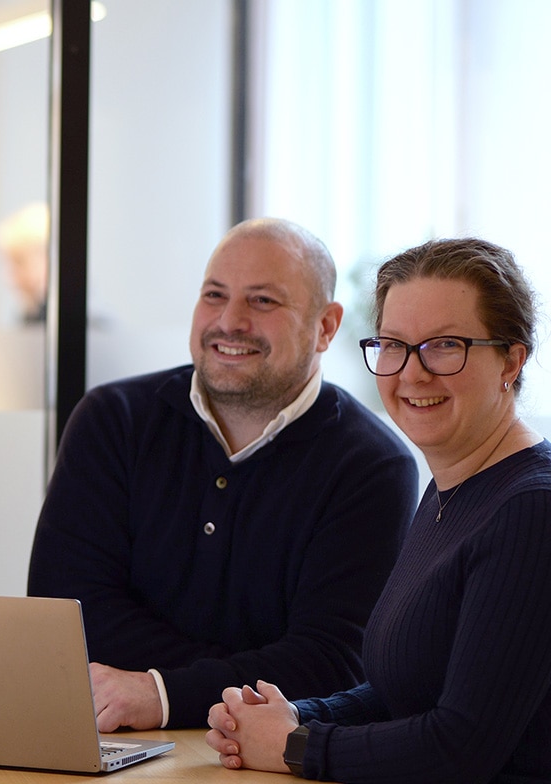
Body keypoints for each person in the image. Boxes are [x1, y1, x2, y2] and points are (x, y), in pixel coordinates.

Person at [27, 217, 420, 731]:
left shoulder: (372, 465)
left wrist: (164, 692)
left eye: (263, 301)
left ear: (326, 326)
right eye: (214, 295)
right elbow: (64, 617)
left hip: (265, 760)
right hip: (111, 735)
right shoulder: (112, 420)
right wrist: (246, 670)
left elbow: (334, 662)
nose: (230, 321)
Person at [206, 238, 551, 782]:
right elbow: (406, 691)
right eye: (393, 345)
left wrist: (297, 747)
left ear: (511, 359)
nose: (412, 373)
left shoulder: (532, 510)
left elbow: (462, 747)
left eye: (445, 345)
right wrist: (294, 716)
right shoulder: (450, 490)